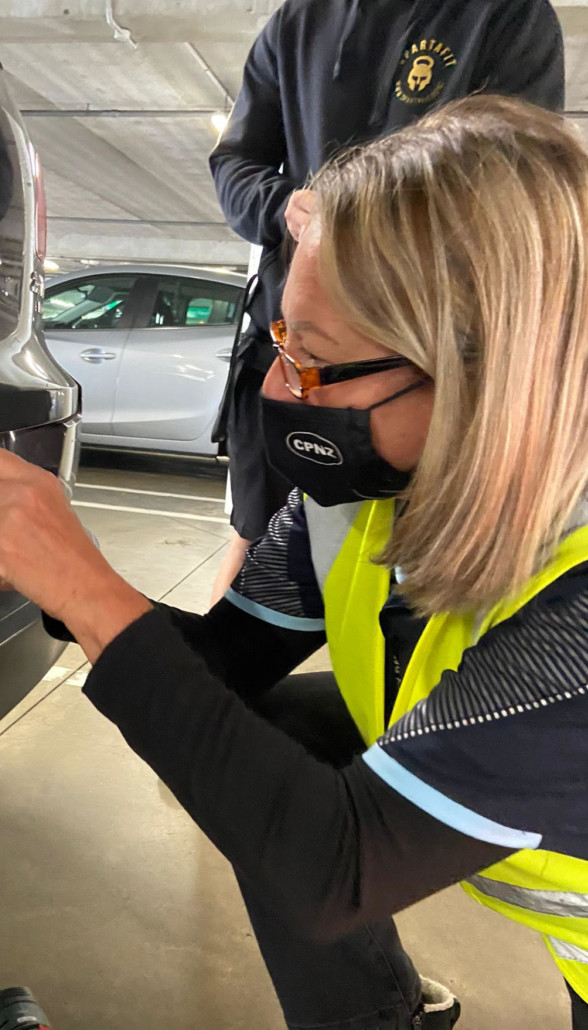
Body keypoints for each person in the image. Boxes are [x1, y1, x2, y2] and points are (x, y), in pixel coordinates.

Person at [0, 96, 588, 1030]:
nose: (276, 390)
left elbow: (333, 868)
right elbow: (214, 671)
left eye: (318, 363)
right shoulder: (359, 501)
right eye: (279, 343)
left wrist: (86, 586)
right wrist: (48, 578)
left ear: (485, 382)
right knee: (261, 739)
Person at [207, 0, 564, 604]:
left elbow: (514, 185)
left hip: (410, 352)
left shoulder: (506, 14)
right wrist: (284, 206)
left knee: (417, 573)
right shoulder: (298, 22)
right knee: (261, 538)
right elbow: (236, 162)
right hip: (297, 325)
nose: (279, 393)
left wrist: (376, 236)